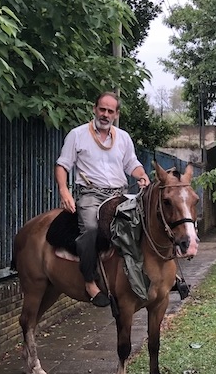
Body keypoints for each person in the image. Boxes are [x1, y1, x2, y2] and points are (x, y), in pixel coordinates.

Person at [55, 91, 150, 307]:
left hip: (119, 194)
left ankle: (150, 276)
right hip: (91, 195)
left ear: (116, 114)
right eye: (102, 109)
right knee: (91, 230)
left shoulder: (123, 137)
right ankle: (90, 282)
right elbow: (62, 165)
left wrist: (142, 175)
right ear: (95, 109)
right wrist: (64, 190)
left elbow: (131, 164)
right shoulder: (77, 135)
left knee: (143, 223)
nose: (105, 114)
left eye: (110, 111)